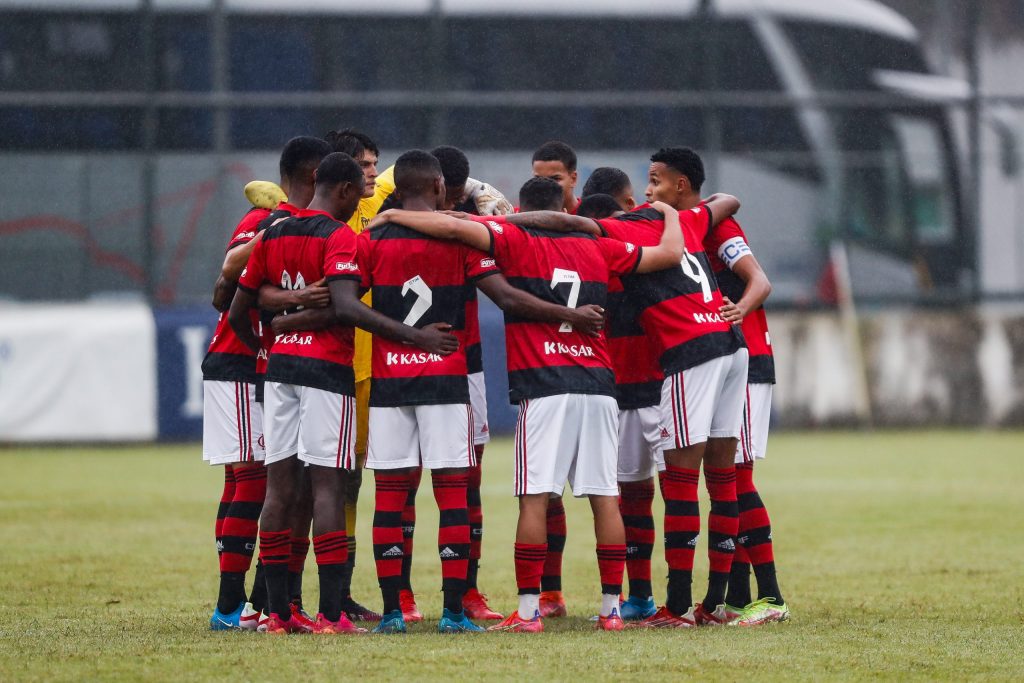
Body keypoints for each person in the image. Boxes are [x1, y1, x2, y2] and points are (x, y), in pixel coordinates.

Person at [373, 175, 686, 633]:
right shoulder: (598, 245)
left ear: (521, 206)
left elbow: (457, 231)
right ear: (564, 204)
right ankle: (611, 609)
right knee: (605, 499)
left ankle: (527, 613)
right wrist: (673, 216)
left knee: (534, 499)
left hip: (544, 386)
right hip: (599, 383)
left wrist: (395, 213)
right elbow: (668, 255)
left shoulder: (512, 236)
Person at [505, 149, 745, 627]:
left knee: (665, 487)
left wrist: (507, 215)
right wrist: (672, 213)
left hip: (663, 368)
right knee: (712, 480)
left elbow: (578, 230)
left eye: (654, 182)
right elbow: (727, 200)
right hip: (722, 349)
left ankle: (672, 605)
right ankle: (702, 601)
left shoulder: (609, 232)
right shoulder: (683, 220)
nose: (649, 191)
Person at [228, 152, 459, 634]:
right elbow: (346, 307)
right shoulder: (339, 236)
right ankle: (333, 614)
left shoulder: (273, 232)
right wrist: (415, 336)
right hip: (325, 370)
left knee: (280, 489)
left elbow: (236, 310)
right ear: (344, 190)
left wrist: (272, 342)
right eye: (360, 189)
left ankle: (278, 613)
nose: (364, 198)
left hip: (280, 369)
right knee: (329, 486)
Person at [204, 136, 331, 630]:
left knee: (262, 480)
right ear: (316, 176)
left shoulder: (307, 228)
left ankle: (259, 601)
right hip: (239, 363)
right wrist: (277, 226)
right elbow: (229, 271)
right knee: (254, 479)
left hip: (267, 369)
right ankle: (231, 606)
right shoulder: (264, 220)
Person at [577, 190, 662, 621]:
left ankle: (681, 600)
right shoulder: (598, 258)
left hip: (653, 389)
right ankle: (645, 597)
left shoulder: (647, 249)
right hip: (636, 392)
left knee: (663, 496)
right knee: (638, 498)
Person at [703, 214, 789, 626]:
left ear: (680, 184)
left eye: (656, 181)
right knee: (722, 478)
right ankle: (737, 598)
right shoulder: (682, 229)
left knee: (736, 478)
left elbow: (761, 282)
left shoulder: (719, 228)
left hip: (748, 360)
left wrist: (738, 310)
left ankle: (771, 596)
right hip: (721, 363)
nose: (650, 191)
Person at [532, 140, 580, 214]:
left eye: (555, 179)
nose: (545, 186)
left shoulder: (594, 217)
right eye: (539, 179)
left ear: (573, 179)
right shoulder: (515, 217)